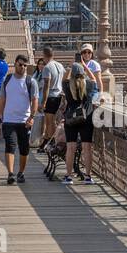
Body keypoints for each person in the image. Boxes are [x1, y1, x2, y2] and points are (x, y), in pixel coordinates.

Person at [0, 54, 39, 184]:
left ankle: (21, 172)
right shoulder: (7, 80)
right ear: (15, 64)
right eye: (20, 65)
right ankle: (10, 173)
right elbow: (2, 98)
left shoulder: (31, 81)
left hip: (24, 121)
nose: (23, 67)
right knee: (10, 145)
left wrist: (32, 117)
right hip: (9, 119)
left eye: (25, 65)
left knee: (24, 148)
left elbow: (34, 100)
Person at [59, 51, 98, 185]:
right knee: (87, 148)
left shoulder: (67, 85)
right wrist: (84, 66)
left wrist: (71, 66)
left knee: (71, 148)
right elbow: (94, 79)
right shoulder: (88, 84)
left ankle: (68, 176)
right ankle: (88, 176)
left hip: (71, 118)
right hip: (86, 118)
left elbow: (63, 79)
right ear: (83, 72)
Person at [38, 46, 65, 151]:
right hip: (58, 95)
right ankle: (51, 141)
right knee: (53, 121)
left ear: (44, 55)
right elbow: (64, 78)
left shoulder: (47, 67)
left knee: (49, 121)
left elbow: (46, 86)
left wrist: (43, 102)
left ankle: (51, 142)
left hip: (50, 96)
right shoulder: (59, 65)